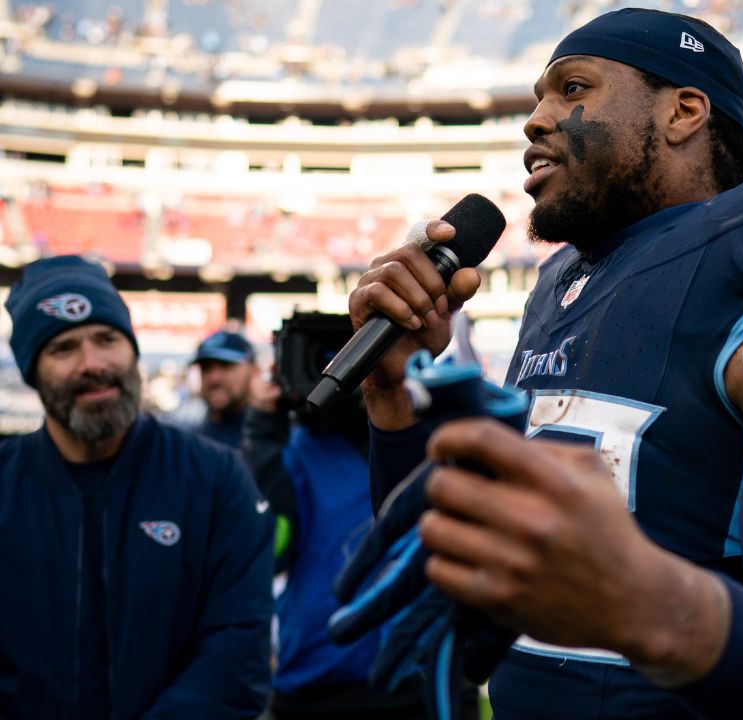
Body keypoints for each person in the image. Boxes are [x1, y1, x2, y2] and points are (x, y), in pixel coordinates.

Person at [346, 8, 743, 719]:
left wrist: (644, 603)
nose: (534, 120)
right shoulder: (560, 287)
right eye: (537, 97)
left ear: (685, 111)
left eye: (572, 88)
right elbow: (439, 552)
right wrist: (394, 392)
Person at [0, 255, 274, 718]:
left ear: (132, 348)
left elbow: (236, 655)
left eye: (106, 339)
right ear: (32, 370)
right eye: (63, 348)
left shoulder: (216, 479)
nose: (93, 364)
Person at [240, 318, 443, 720]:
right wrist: (263, 429)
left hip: (404, 676)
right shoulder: (287, 451)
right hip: (315, 678)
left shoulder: (414, 440)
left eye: (352, 353)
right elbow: (270, 551)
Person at [193, 328, 256, 449]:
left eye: (226, 366)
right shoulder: (192, 440)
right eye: (206, 368)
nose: (214, 379)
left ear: (254, 370)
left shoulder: (278, 434)